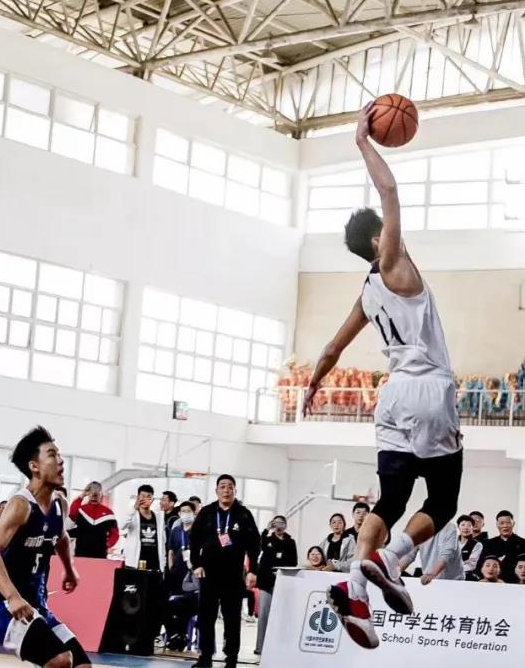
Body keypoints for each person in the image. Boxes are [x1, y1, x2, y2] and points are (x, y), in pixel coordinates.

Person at [302, 104, 463, 650]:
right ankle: (393, 559)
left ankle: (354, 588)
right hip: (429, 388)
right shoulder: (394, 265)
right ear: (378, 240)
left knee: (388, 504)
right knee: (443, 502)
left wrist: (313, 385)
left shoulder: (367, 292)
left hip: (391, 397)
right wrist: (362, 142)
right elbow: (390, 192)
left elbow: (331, 348)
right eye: (387, 231)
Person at [0, 427, 88, 668]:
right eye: (52, 454)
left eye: (59, 454)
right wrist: (12, 597)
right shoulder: (21, 505)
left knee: (82, 666)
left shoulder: (60, 503)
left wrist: (69, 569)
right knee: (60, 660)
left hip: (37, 604)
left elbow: (61, 537)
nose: (60, 461)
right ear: (34, 466)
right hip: (5, 605)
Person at [188, 474, 260, 668]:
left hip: (233, 575)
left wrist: (252, 570)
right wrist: (196, 564)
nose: (226, 490)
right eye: (222, 486)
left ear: (235, 490)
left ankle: (231, 660)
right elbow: (194, 539)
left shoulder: (243, 514)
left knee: (232, 619)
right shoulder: (207, 512)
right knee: (206, 617)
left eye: (230, 487)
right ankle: (205, 658)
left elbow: (254, 544)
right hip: (209, 573)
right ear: (216, 490)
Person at [255, 515, 298, 655]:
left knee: (281, 616)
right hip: (266, 582)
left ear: (285, 525)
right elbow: (258, 545)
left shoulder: (290, 542)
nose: (279, 525)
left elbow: (293, 561)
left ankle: (278, 647)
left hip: (282, 581)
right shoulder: (267, 539)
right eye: (276, 523)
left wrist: (280, 568)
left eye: (281, 523)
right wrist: (266, 529)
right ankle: (260, 647)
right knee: (263, 615)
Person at [164, 501, 199, 652]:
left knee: (184, 606)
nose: (185, 514)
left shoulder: (198, 531)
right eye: (183, 511)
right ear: (179, 514)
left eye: (188, 511)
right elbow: (171, 550)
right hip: (177, 572)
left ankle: (182, 635)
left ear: (194, 512)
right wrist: (170, 564)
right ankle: (174, 634)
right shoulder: (176, 531)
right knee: (167, 605)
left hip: (192, 575)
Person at [122, 484, 166, 572]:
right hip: (136, 560)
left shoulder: (158, 517)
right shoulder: (133, 514)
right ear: (138, 498)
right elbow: (122, 525)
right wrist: (134, 508)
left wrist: (163, 561)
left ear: (152, 499)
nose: (145, 499)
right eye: (142, 496)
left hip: (154, 561)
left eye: (148, 497)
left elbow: (163, 539)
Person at [69, 482, 119, 558]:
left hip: (100, 554)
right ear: (88, 493)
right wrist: (82, 495)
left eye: (97, 493)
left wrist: (107, 545)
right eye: (92, 493)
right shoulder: (81, 510)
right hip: (81, 553)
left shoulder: (108, 513)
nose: (94, 496)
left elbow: (115, 534)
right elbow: (72, 515)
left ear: (101, 494)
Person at [484, 511, 525, 584]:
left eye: (508, 523)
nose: (505, 526)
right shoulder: (489, 543)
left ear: (513, 523)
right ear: (497, 525)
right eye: (502, 523)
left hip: (516, 582)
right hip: (493, 582)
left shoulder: (523, 542)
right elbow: (483, 564)